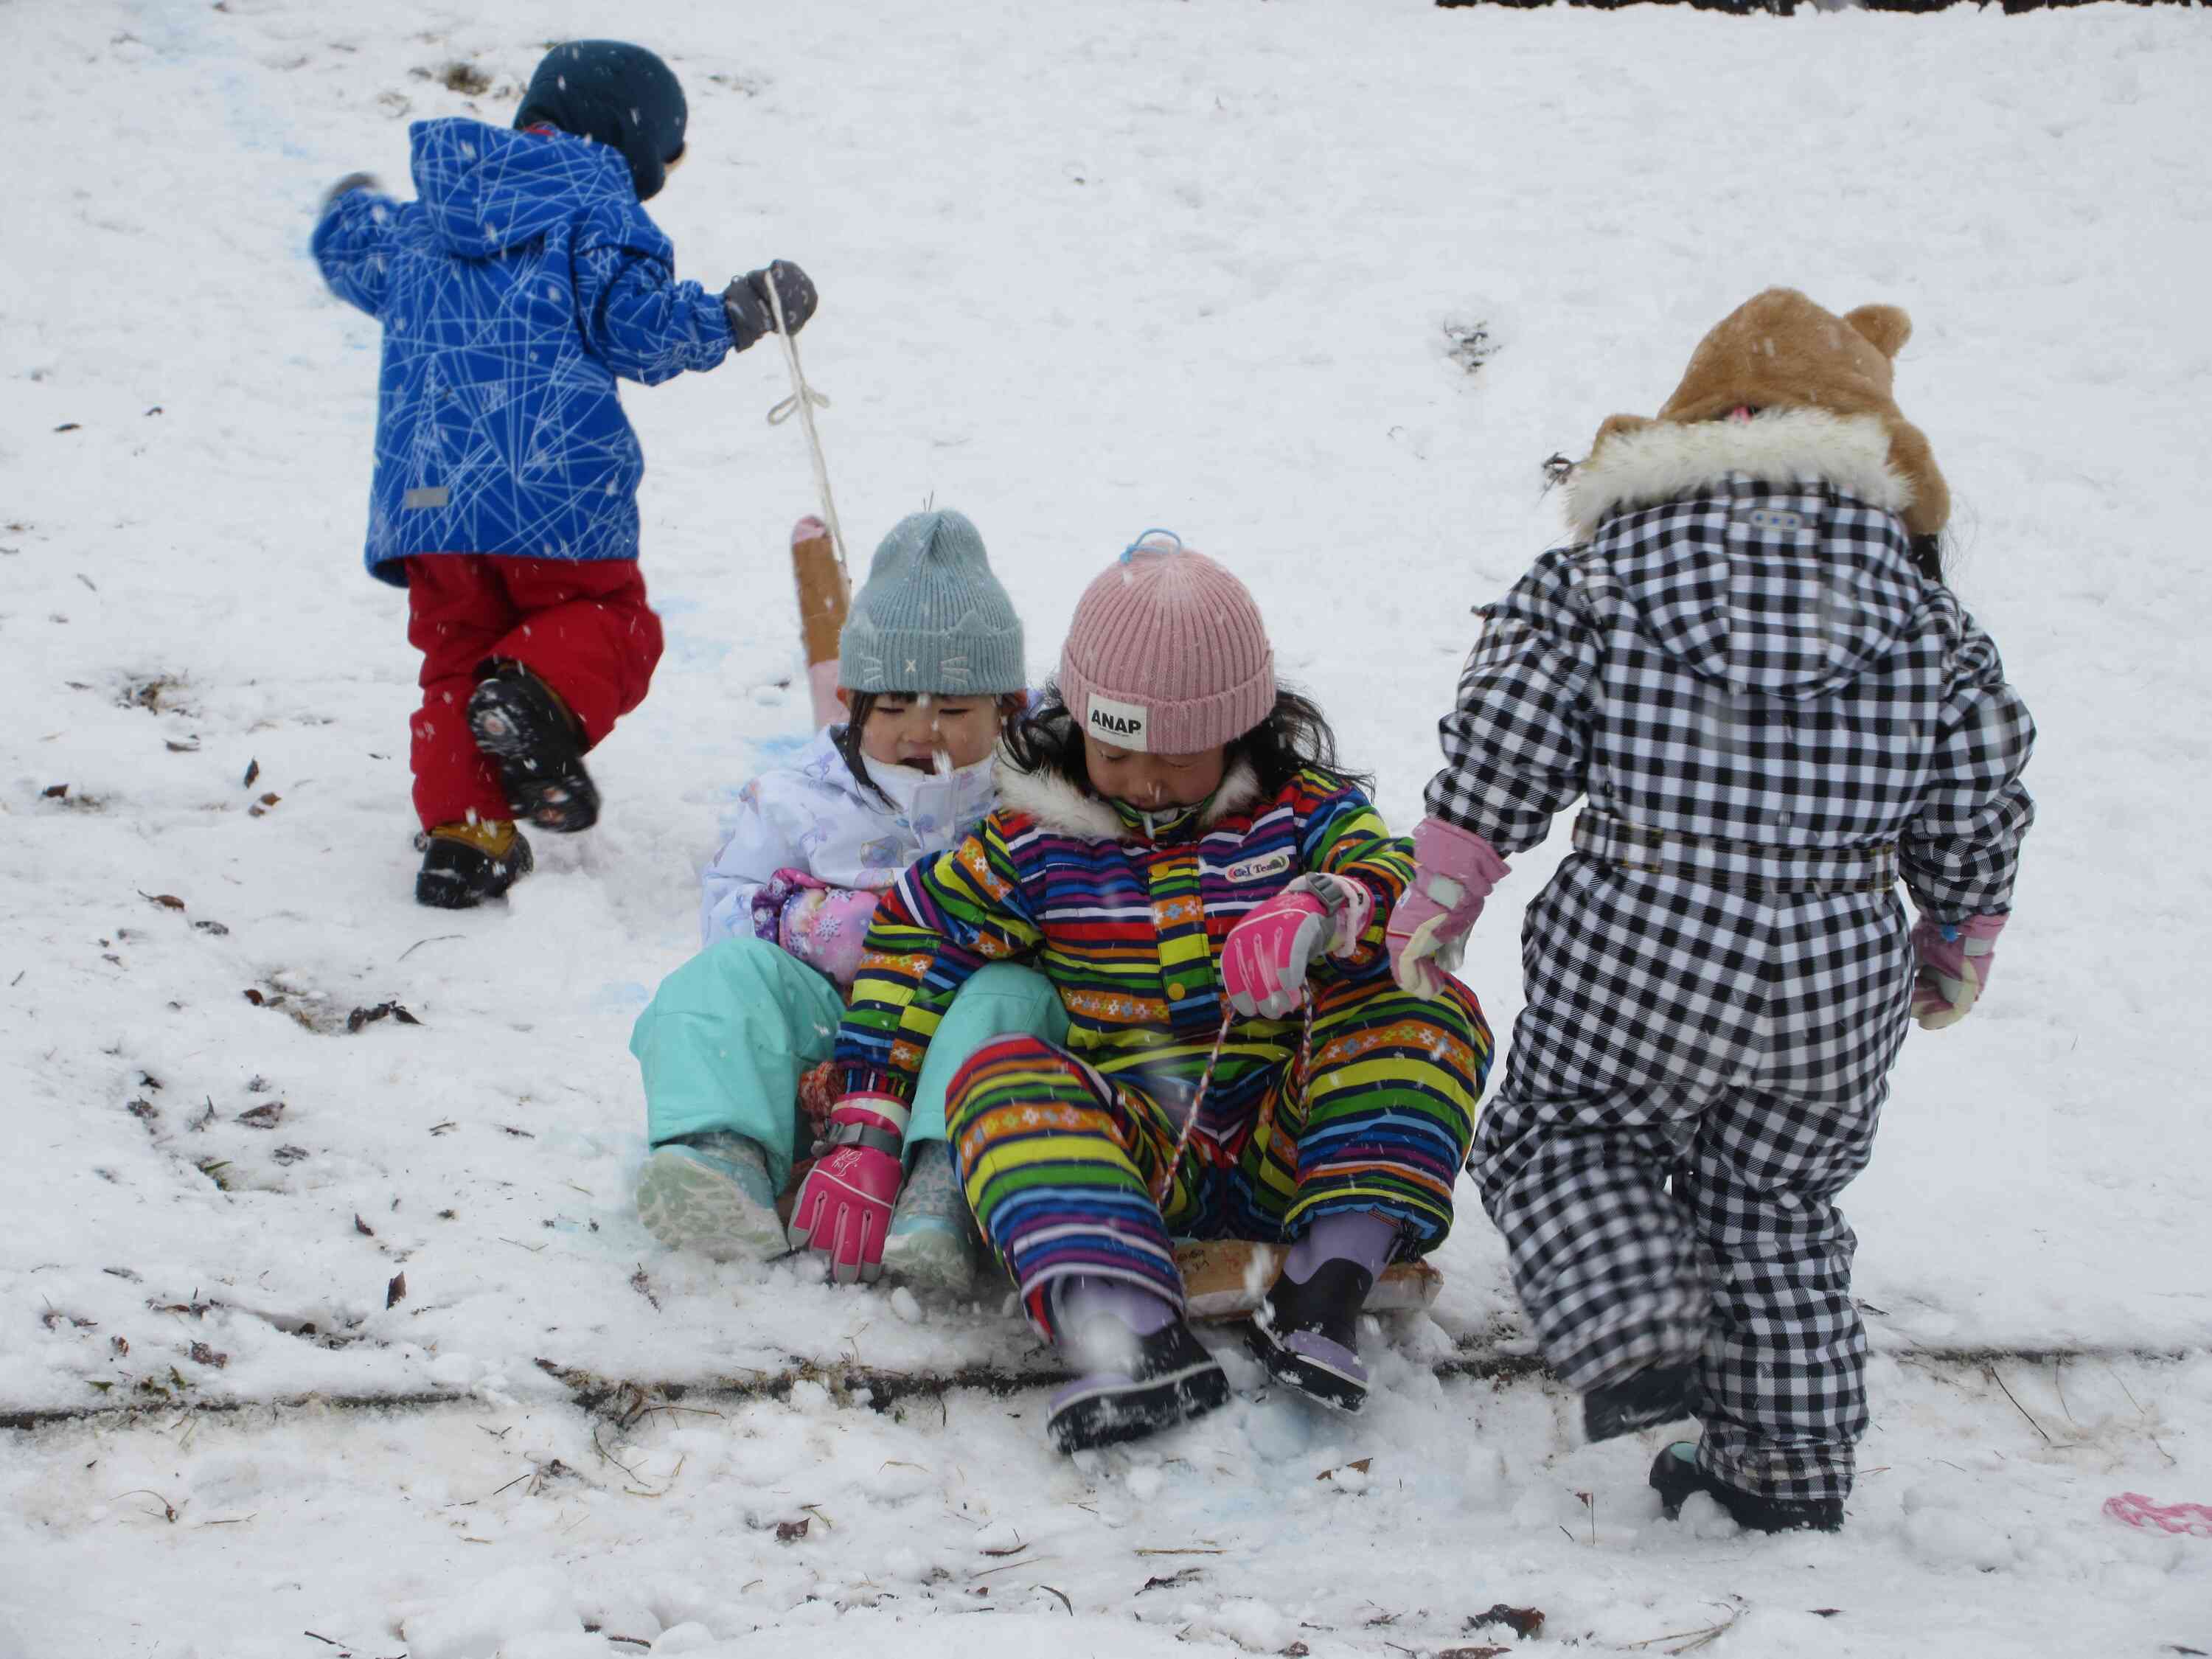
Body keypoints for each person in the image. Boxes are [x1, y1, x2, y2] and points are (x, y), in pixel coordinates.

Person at [1390, 289, 2036, 1533]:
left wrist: (1448, 883)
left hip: (1643, 927)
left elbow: (1509, 735)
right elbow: (1980, 794)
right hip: (1836, 962)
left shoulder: (1606, 574)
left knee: (1563, 1137)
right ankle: (1786, 1468)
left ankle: (1636, 1333)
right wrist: (1956, 936)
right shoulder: (1926, 616)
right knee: (1778, 1203)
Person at [793, 532, 1492, 1453]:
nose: (1147, 781)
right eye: (1116, 753)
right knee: (1000, 1080)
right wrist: (870, 1112)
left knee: (1425, 1008)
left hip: (1303, 1143)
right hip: (1138, 1157)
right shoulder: (1032, 846)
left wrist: (1325, 907)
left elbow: (1400, 885)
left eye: (1181, 757)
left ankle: (1329, 1283)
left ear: (1245, 728)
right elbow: (919, 936)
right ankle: (1129, 1334)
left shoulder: (1307, 815)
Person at [311, 39, 818, 907]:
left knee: (453, 663)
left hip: (430, 502)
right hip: (552, 489)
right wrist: (735, 314)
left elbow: (354, 252)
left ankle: (467, 839)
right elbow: (639, 328)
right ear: (634, 141)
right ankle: (532, 698)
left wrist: (344, 210)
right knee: (610, 622)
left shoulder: (430, 215)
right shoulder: (596, 204)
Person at [630, 510, 1058, 1293]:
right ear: (853, 701)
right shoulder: (801, 795)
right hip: (829, 1039)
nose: (918, 730)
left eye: (954, 710)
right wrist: (802, 923)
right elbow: (729, 901)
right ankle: (725, 1153)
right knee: (722, 980)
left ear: (1010, 707)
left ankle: (946, 1180)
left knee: (1014, 998)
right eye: (891, 708)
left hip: (948, 1043)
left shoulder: (1032, 804)